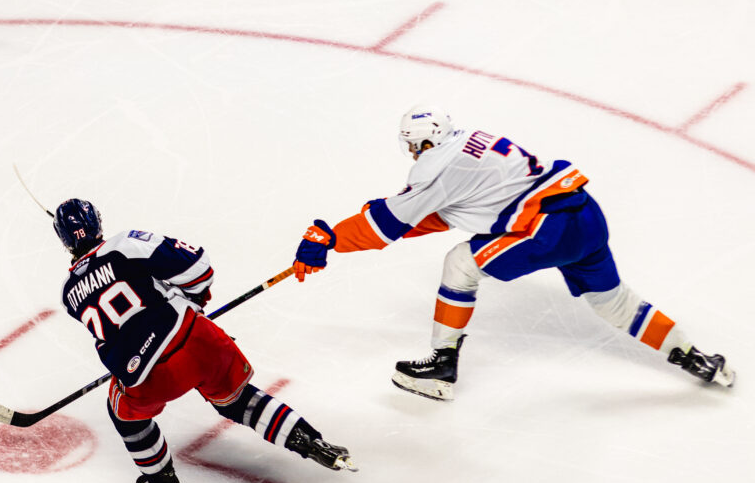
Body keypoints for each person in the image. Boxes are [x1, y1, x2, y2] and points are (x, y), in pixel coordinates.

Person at [292, 105, 735, 401]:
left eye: (412, 143)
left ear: (425, 142)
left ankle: (442, 366)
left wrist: (329, 237)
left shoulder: (436, 165)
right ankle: (693, 355)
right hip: (584, 214)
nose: (410, 151)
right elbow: (448, 213)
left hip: (545, 229)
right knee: (614, 301)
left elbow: (386, 225)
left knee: (460, 265)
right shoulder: (472, 141)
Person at [53, 198, 356, 483]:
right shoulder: (126, 244)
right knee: (239, 400)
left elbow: (115, 334)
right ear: (98, 222)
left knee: (123, 412)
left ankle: (161, 481)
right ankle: (311, 442)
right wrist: (193, 303)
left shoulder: (68, 293)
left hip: (148, 375)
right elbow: (198, 268)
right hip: (196, 340)